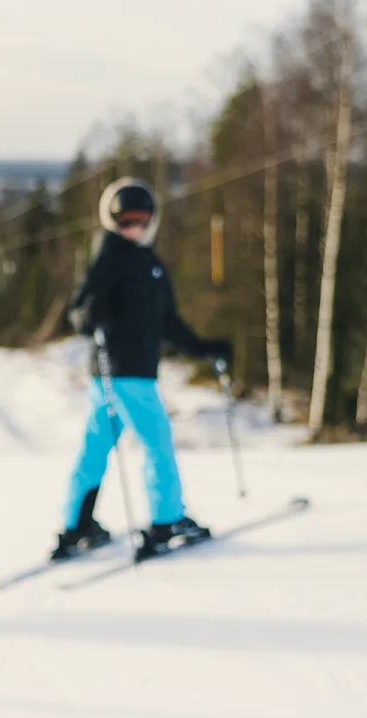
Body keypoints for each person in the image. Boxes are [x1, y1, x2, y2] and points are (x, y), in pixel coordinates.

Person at [54, 176, 233, 561]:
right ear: (112, 220)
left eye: (139, 220)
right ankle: (166, 522)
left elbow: (167, 321)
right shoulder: (112, 253)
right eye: (124, 221)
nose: (132, 228)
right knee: (157, 444)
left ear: (151, 220)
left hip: (115, 376)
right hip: (123, 372)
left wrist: (203, 348)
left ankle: (77, 524)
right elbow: (80, 309)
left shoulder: (148, 263)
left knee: (96, 447)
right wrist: (91, 317)